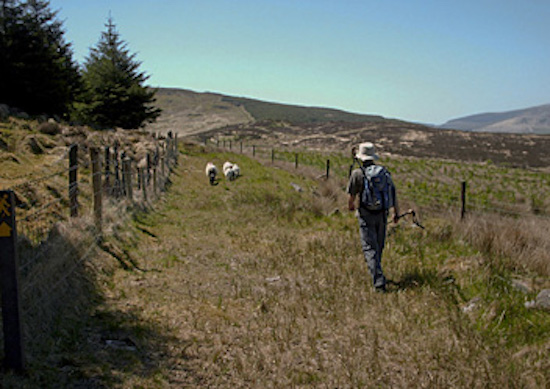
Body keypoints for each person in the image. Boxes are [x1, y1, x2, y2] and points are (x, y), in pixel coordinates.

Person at [347, 142, 399, 292]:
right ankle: (378, 272)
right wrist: (396, 212)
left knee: (369, 248)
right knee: (378, 245)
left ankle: (378, 282)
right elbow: (392, 193)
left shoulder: (358, 173)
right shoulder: (384, 172)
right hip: (382, 213)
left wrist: (351, 205)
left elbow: (352, 195)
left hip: (366, 214)